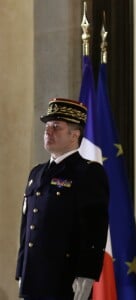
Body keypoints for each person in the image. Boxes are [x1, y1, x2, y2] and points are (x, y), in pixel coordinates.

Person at [16, 98, 109, 300]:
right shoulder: (36, 173)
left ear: (74, 135)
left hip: (64, 276)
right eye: (47, 127)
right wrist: (21, 270)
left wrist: (86, 273)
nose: (48, 132)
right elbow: (27, 227)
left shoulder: (88, 172)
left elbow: (95, 228)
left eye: (56, 127)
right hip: (33, 275)